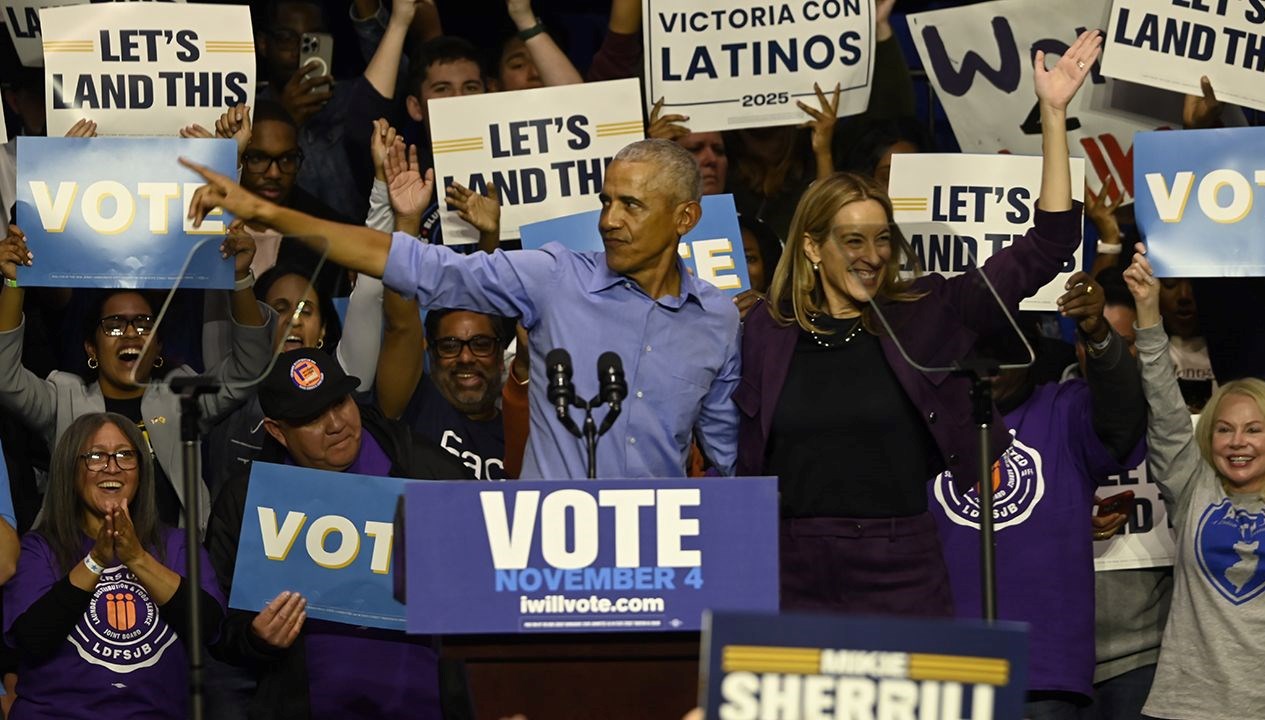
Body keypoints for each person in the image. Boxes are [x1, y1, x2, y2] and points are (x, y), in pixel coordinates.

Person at [735, 30, 1101, 615]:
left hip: (899, 564)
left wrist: (1053, 114)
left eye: (883, 240)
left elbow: (1049, 244)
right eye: (852, 240)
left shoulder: (928, 312)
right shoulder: (764, 331)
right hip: (787, 568)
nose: (872, 255)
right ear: (811, 247)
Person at [182, 138, 740, 480]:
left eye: (631, 206)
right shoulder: (556, 277)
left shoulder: (718, 320)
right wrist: (269, 213)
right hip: (549, 556)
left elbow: (728, 457)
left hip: (664, 560)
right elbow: (407, 262)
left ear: (686, 218)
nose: (609, 220)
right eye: (605, 201)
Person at [206, 348, 471, 719]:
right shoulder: (249, 500)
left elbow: (482, 580)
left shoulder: (426, 471)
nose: (336, 424)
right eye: (312, 417)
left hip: (428, 701)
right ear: (277, 432)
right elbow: (215, 624)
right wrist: (255, 638)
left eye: (341, 403)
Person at [928, 271, 1145, 719]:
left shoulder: (1065, 410)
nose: (988, 367)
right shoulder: (925, 418)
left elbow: (1122, 415)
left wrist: (1098, 335)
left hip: (1043, 674)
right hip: (940, 667)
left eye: (1004, 354)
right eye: (973, 353)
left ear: (1031, 354)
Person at [0, 225, 273, 528]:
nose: (130, 334)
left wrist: (239, 278)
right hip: (80, 565)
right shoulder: (62, 399)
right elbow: (5, 376)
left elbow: (250, 366)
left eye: (144, 325)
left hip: (172, 565)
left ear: (158, 348)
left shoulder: (184, 398)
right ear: (91, 348)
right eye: (114, 325)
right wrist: (14, 281)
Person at [1123, 245, 1265, 720]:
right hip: (1186, 706)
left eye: (1253, 429)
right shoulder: (1192, 484)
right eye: (1224, 429)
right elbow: (1164, 407)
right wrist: (1147, 309)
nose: (1237, 442)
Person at [4, 412, 224, 718]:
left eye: (125, 455)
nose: (113, 467)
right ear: (71, 469)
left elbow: (210, 628)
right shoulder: (39, 549)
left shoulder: (177, 545)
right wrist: (96, 560)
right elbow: (32, 641)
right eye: (95, 456)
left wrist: (136, 557)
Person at [383, 308, 513, 480]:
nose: (466, 358)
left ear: (500, 355)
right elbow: (401, 325)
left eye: (481, 344)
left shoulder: (520, 434)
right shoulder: (414, 400)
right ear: (430, 353)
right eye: (449, 346)